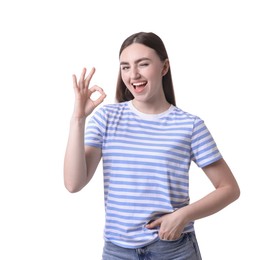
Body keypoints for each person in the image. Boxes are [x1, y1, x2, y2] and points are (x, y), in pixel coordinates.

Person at [64, 32, 240, 260]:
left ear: (164, 67)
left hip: (172, 249)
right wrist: (78, 118)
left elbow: (229, 188)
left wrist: (183, 216)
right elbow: (73, 183)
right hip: (118, 251)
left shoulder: (189, 125)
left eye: (143, 64)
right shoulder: (106, 118)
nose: (133, 74)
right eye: (125, 67)